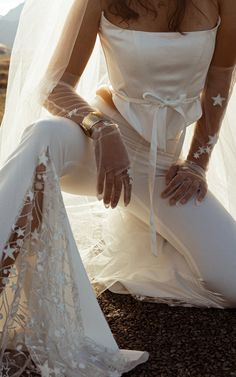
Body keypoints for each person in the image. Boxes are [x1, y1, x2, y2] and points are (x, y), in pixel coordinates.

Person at [0, 0, 235, 375]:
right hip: (99, 148)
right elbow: (54, 86)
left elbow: (220, 78)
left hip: (159, 168)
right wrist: (100, 127)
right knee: (43, 136)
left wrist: (196, 163)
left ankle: (158, 243)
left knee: (232, 279)